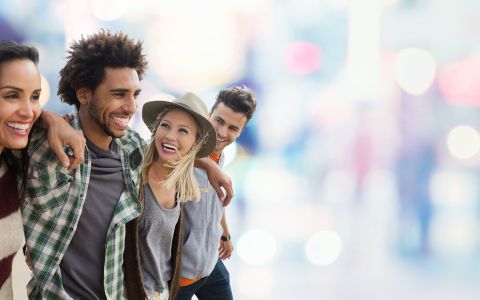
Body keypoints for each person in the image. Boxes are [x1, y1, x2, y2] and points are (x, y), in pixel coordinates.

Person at [21, 30, 232, 300]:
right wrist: (46, 119)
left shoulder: (131, 150)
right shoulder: (45, 149)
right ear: (84, 94)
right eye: (119, 94)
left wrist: (211, 167)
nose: (131, 107)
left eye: (135, 94)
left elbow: (170, 149)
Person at [0, 40, 84, 299]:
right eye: (12, 95)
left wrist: (51, 120)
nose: (28, 111)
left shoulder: (13, 163)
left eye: (34, 97)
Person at [176, 86, 257, 299]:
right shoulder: (185, 142)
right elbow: (173, 153)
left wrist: (225, 234)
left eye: (233, 128)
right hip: (179, 273)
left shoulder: (221, 156)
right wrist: (210, 167)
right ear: (209, 114)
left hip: (209, 260)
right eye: (219, 121)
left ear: (241, 131)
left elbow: (215, 201)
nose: (222, 132)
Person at [135, 92, 216, 300]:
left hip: (162, 293)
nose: (170, 136)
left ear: (195, 142)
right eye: (165, 125)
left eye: (183, 131)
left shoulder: (183, 189)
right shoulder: (133, 177)